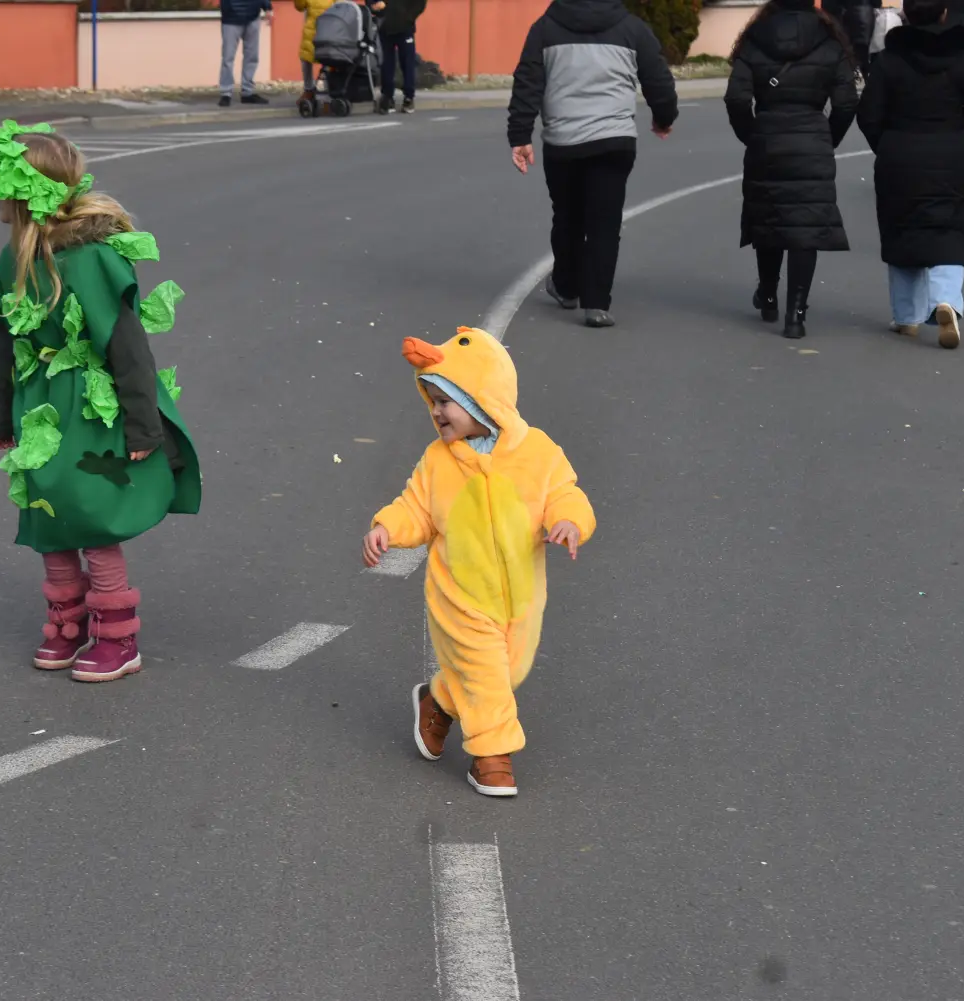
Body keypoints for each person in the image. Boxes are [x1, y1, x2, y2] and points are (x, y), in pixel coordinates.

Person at [0, 122, 201, 682]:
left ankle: (117, 638)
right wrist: (1, 413)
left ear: (25, 190)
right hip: (40, 404)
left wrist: (143, 427)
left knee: (92, 515)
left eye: (2, 183)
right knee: (48, 512)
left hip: (87, 407)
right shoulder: (13, 262)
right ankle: (67, 624)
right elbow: (6, 340)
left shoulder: (93, 260)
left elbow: (128, 348)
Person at [362, 327, 594, 798]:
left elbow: (566, 493)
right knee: (486, 671)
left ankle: (437, 701)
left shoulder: (538, 452)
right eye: (430, 401)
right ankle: (492, 756)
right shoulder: (438, 462)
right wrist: (387, 526)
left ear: (482, 400)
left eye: (445, 400)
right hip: (459, 595)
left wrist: (568, 520)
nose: (436, 412)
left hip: (520, 597)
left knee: (507, 672)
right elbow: (416, 508)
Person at [507, 0, 678, 328]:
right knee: (605, 221)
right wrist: (664, 117)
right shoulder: (632, 28)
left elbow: (527, 82)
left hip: (563, 142)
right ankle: (597, 304)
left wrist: (520, 135)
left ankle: (567, 287)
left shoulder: (545, 28)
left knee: (567, 216)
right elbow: (658, 79)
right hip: (615, 140)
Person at [858, 0, 964, 349]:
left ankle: (906, 316)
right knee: (949, 229)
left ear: (906, 14)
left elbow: (869, 114)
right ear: (945, 13)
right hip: (951, 153)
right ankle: (946, 300)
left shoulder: (889, 61)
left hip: (899, 155)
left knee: (901, 228)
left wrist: (887, 146)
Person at [726, 0, 859, 340]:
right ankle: (796, 313)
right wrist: (829, 138)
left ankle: (768, 294)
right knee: (805, 225)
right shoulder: (829, 41)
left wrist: (752, 135)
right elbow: (846, 102)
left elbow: (737, 99)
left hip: (767, 139)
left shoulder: (755, 39)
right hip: (813, 137)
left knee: (769, 217)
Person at [218, 0, 271, 108]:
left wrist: (267, 7)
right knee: (228, 58)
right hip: (231, 19)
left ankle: (247, 92)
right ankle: (226, 93)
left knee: (251, 56)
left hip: (252, 17)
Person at [377, 0, 427, 113]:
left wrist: (408, 18)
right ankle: (387, 96)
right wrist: (374, 6)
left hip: (405, 28)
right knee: (386, 63)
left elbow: (420, 3)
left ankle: (409, 97)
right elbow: (371, 3)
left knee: (407, 62)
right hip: (385, 28)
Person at [293, 0, 337, 101]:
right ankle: (309, 89)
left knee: (328, 61)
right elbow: (300, 6)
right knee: (306, 59)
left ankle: (328, 90)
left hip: (329, 28)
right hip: (312, 30)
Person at [822, 0, 880, 77]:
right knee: (863, 52)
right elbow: (877, 3)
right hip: (866, 14)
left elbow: (828, 6)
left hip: (844, 16)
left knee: (847, 52)